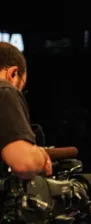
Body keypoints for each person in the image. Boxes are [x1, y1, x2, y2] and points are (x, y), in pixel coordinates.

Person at [0, 42, 52, 180]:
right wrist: (41, 156)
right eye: (21, 88)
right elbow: (25, 163)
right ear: (13, 73)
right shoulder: (5, 90)